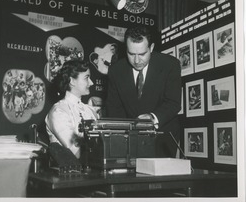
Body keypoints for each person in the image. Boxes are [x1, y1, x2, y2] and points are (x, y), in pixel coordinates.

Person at [106, 26, 181, 158]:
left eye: (142, 54)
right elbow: (114, 109)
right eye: (131, 54)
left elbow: (173, 102)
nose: (136, 60)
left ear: (151, 48)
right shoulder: (115, 71)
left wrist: (152, 117)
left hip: (162, 135)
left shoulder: (170, 64)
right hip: (129, 138)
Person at [45, 60, 98, 159]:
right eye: (86, 78)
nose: (91, 83)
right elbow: (76, 151)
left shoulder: (90, 111)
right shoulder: (58, 112)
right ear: (72, 81)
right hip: (68, 172)